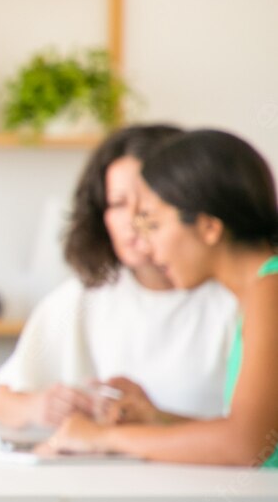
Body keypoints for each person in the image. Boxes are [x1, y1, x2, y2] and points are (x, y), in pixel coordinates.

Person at [47, 128, 278, 466]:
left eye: (153, 225)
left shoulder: (270, 289)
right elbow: (258, 437)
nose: (148, 246)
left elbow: (244, 446)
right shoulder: (260, 287)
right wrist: (159, 420)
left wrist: (103, 436)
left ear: (208, 227)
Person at [0, 124, 236, 431]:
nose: (134, 220)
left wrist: (143, 423)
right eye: (118, 204)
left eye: (148, 203)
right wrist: (39, 407)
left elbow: (251, 441)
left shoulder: (235, 298)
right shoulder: (81, 296)